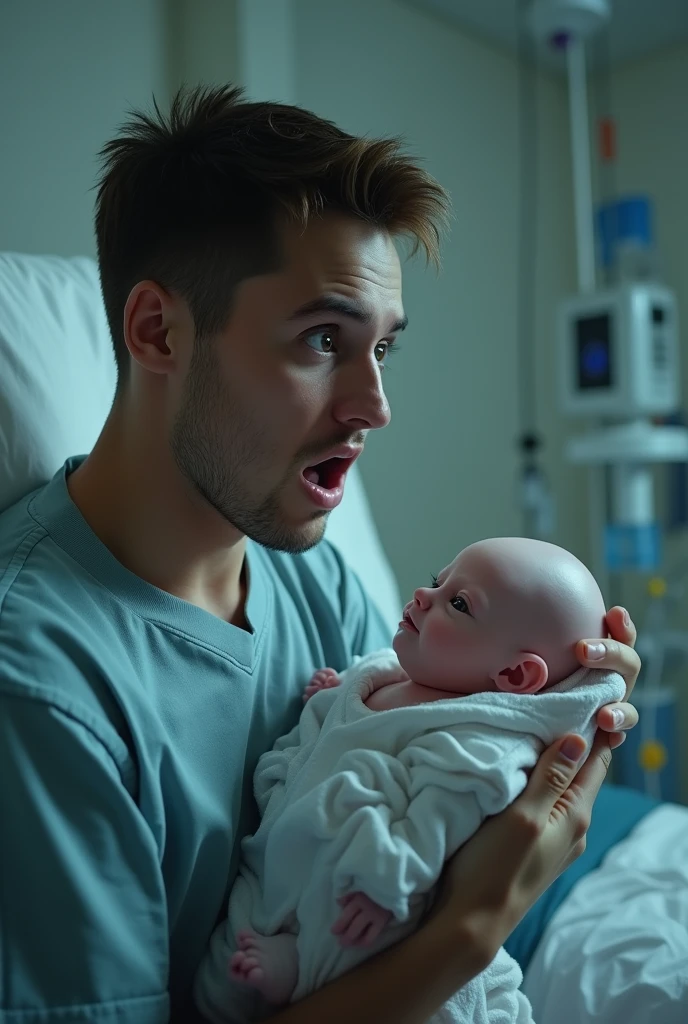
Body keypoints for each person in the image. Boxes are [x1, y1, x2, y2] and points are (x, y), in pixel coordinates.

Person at [0, 85, 639, 1024]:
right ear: (157, 331)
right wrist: (470, 933)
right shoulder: (42, 683)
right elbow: (451, 912)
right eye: (322, 340)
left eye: (382, 348)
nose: (374, 404)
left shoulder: (303, 561)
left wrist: (558, 711)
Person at [195, 538, 625, 1023]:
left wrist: (390, 881)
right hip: (290, 853)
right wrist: (333, 694)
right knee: (248, 926)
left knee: (366, 921)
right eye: (438, 581)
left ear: (515, 675)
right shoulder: (390, 672)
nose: (424, 595)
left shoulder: (482, 740)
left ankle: (304, 967)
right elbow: (341, 718)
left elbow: (443, 810)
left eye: (458, 603)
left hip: (389, 885)